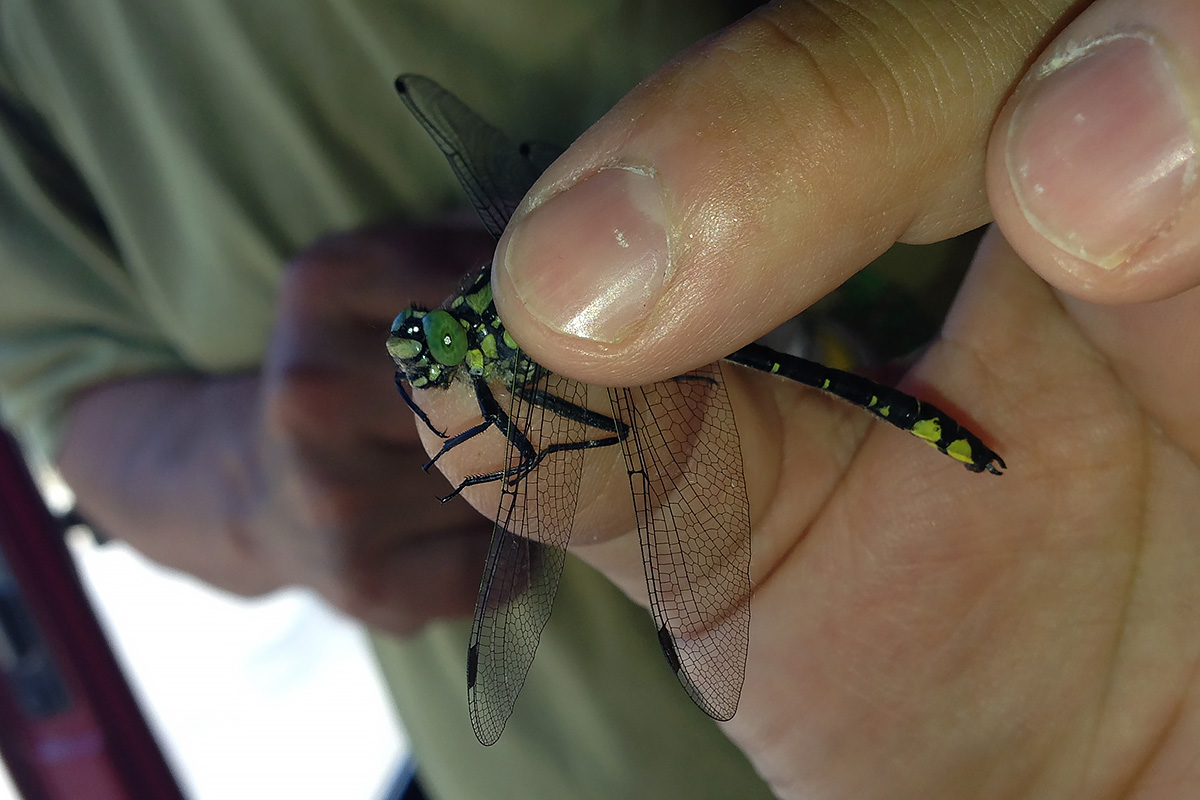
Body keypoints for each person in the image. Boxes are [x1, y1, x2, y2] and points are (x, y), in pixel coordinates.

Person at [4, 0, 1196, 798]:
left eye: (422, 346)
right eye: (417, 351)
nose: (408, 358)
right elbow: (55, 382)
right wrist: (264, 479)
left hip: (1071, 466)